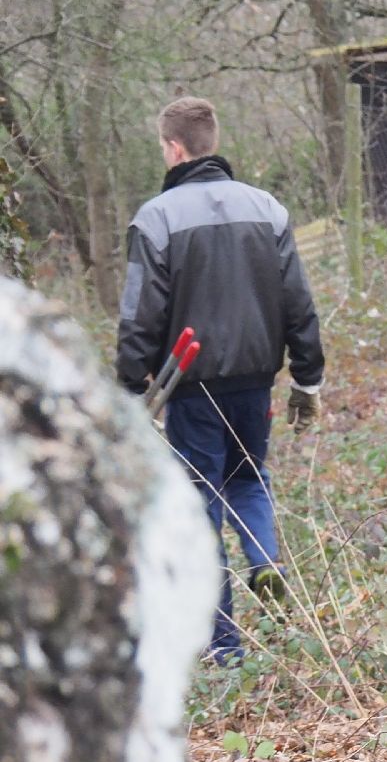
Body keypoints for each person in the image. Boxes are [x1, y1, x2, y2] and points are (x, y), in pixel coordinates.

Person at [116, 96, 324, 664]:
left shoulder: (156, 218)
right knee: (248, 477)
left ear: (173, 147)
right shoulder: (268, 209)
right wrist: (308, 379)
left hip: (190, 386)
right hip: (255, 380)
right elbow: (298, 301)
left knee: (199, 500)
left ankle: (223, 644)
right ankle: (265, 561)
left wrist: (130, 385)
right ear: (212, 142)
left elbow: (139, 316)